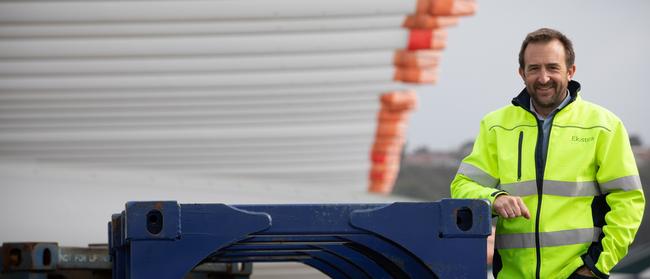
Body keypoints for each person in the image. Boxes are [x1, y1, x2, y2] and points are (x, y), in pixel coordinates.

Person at [451, 28, 645, 279]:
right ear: (522, 73)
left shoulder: (604, 126)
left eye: (552, 67)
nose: (543, 78)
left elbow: (627, 202)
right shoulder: (495, 126)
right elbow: (461, 186)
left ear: (570, 71)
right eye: (534, 68)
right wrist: (494, 197)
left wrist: (595, 267)